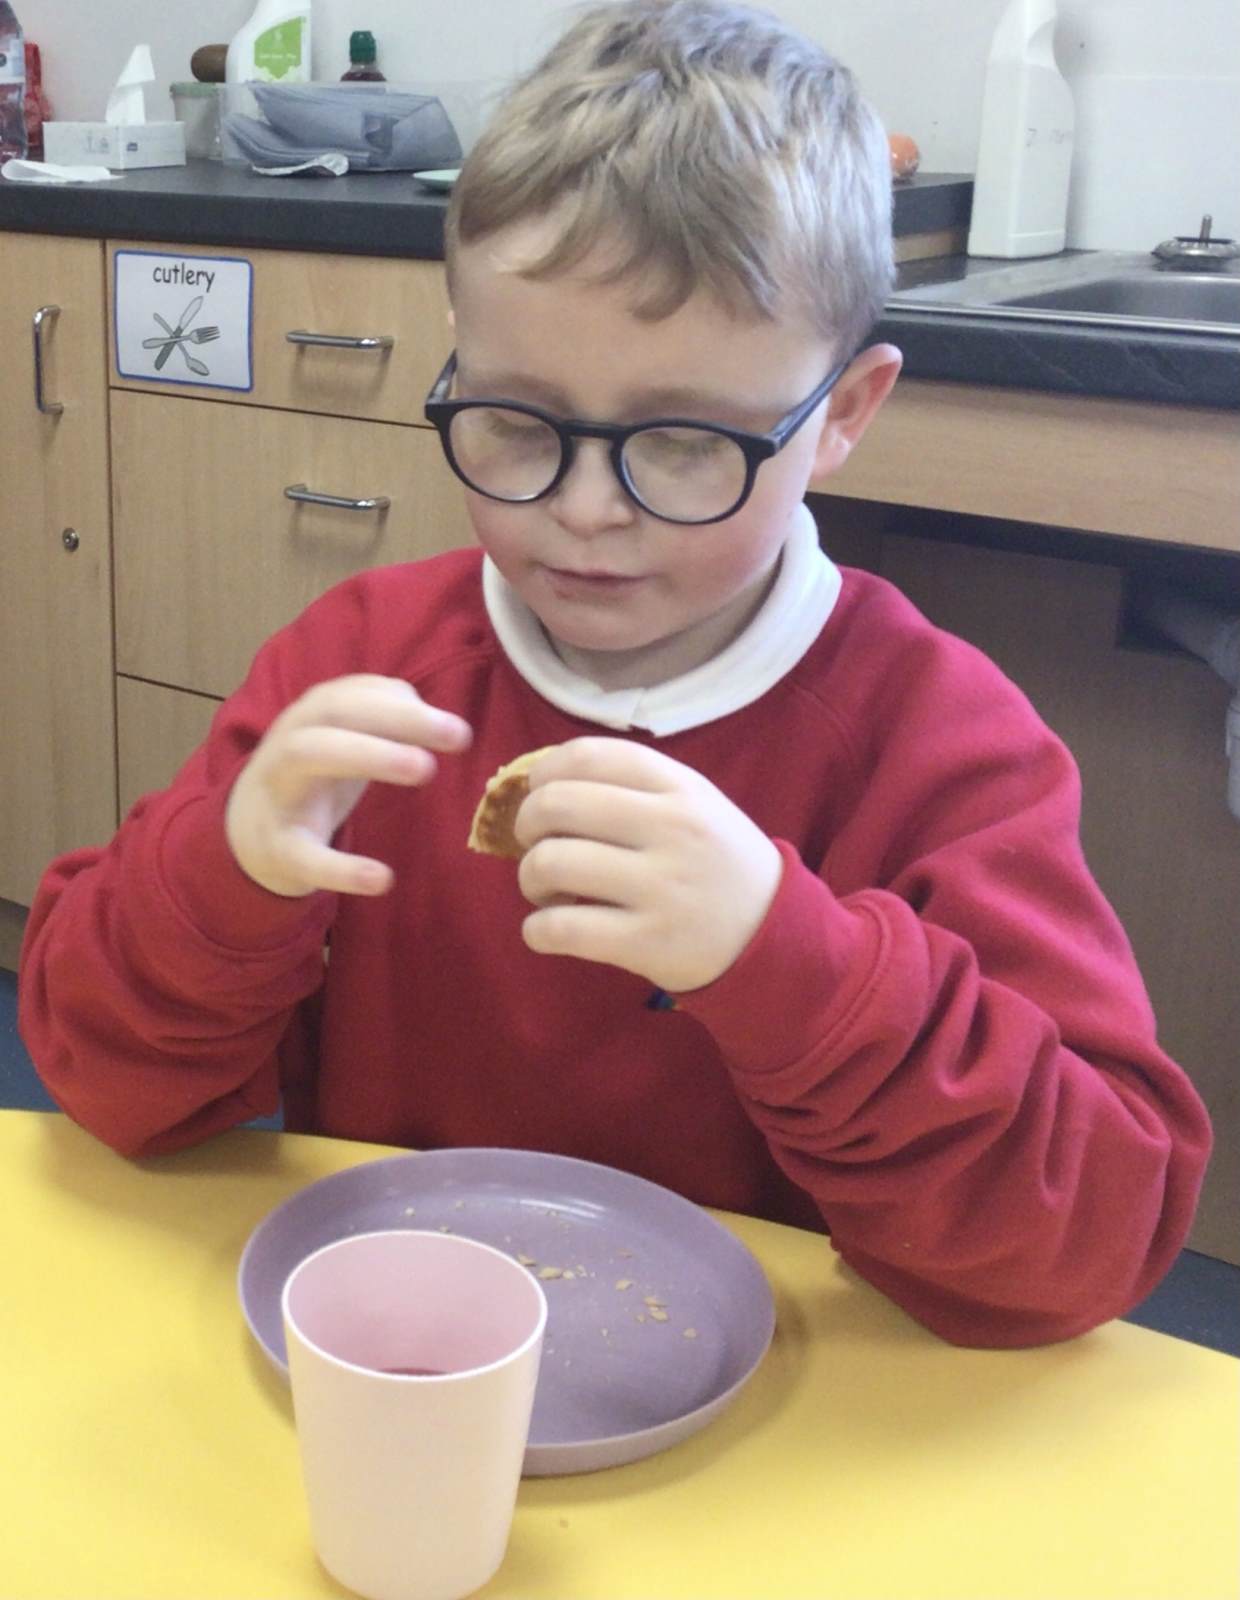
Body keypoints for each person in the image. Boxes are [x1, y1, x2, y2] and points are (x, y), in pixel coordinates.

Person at [18, 0, 1210, 1348]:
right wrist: (225, 880)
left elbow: (1087, 1246)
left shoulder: (940, 741)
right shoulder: (358, 668)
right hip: (402, 1364)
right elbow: (105, 1084)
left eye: (687, 443)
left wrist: (787, 959)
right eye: (517, 421)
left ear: (844, 415)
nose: (584, 511)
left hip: (787, 1405)